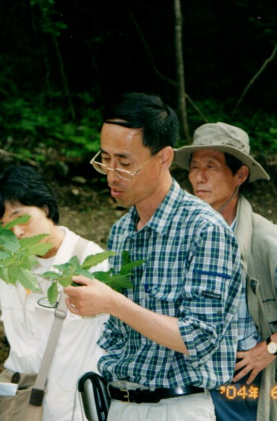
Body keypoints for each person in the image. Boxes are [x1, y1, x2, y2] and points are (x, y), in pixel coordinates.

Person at [63, 93, 243, 421]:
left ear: (164, 157)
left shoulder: (205, 229)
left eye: (125, 162)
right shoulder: (121, 231)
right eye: (104, 159)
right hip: (119, 405)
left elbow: (199, 338)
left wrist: (112, 303)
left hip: (177, 408)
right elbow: (118, 332)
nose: (111, 174)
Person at [173, 122, 277, 421]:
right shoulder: (189, 233)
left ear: (240, 175)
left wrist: (269, 349)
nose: (198, 177)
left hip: (243, 386)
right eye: (194, 166)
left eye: (211, 166)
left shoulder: (265, 239)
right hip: (197, 381)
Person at [0, 165, 110, 421]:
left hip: (74, 409)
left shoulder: (88, 261)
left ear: (45, 207)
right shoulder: (8, 266)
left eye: (21, 218)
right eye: (4, 227)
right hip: (21, 406)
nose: (16, 232)